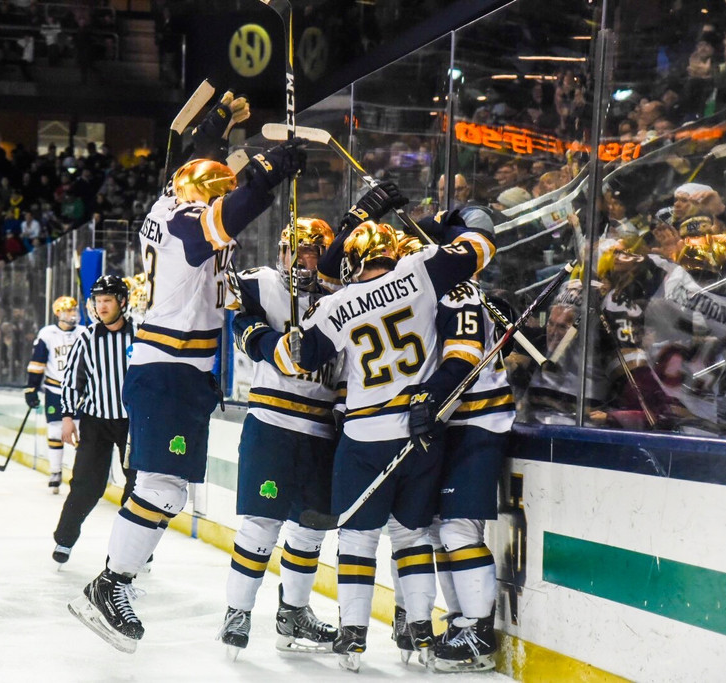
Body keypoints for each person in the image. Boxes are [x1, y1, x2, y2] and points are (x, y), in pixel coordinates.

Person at [69, 91, 306, 654]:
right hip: (169, 368)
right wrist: (268, 172)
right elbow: (229, 209)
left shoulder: (169, 204)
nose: (222, 195)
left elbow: (201, 168)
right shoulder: (185, 223)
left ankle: (114, 578)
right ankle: (110, 583)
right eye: (216, 190)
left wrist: (222, 124)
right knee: (159, 487)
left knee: (167, 490)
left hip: (179, 371)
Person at [235, 218, 496, 672]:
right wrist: (448, 226)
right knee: (413, 536)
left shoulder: (339, 301)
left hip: (364, 436)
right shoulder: (420, 270)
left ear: (352, 262)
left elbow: (303, 356)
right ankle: (418, 629)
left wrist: (271, 332)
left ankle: (353, 635)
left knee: (357, 538)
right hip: (421, 433)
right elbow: (480, 246)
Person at [217, 218, 341, 659]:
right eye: (295, 250)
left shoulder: (343, 300)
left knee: (310, 529)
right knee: (260, 525)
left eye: (312, 252)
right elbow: (240, 321)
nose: (301, 260)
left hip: (322, 430)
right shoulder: (265, 284)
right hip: (271, 424)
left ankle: (294, 614)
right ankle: (237, 613)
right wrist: (271, 344)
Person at [411, 279, 515, 672]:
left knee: (457, 528)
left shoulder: (460, 293)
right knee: (440, 528)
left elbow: (464, 360)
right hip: (452, 421)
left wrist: (426, 397)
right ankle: (460, 623)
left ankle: (478, 632)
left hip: (479, 418)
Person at [52, 277, 134, 564]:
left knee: (137, 486)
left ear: (123, 302)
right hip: (95, 421)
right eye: (98, 301)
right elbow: (72, 381)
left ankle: (133, 549)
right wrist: (67, 416)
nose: (102, 306)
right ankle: (64, 540)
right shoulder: (87, 337)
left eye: (108, 300)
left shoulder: (140, 335)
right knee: (86, 484)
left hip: (132, 423)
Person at [24, 295, 82, 493]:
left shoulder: (85, 333)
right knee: (55, 431)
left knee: (81, 433)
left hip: (79, 391)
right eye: (68, 311)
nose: (73, 315)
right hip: (55, 389)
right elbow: (37, 363)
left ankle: (80, 475)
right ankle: (55, 471)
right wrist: (32, 388)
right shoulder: (47, 334)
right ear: (58, 313)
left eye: (74, 310)